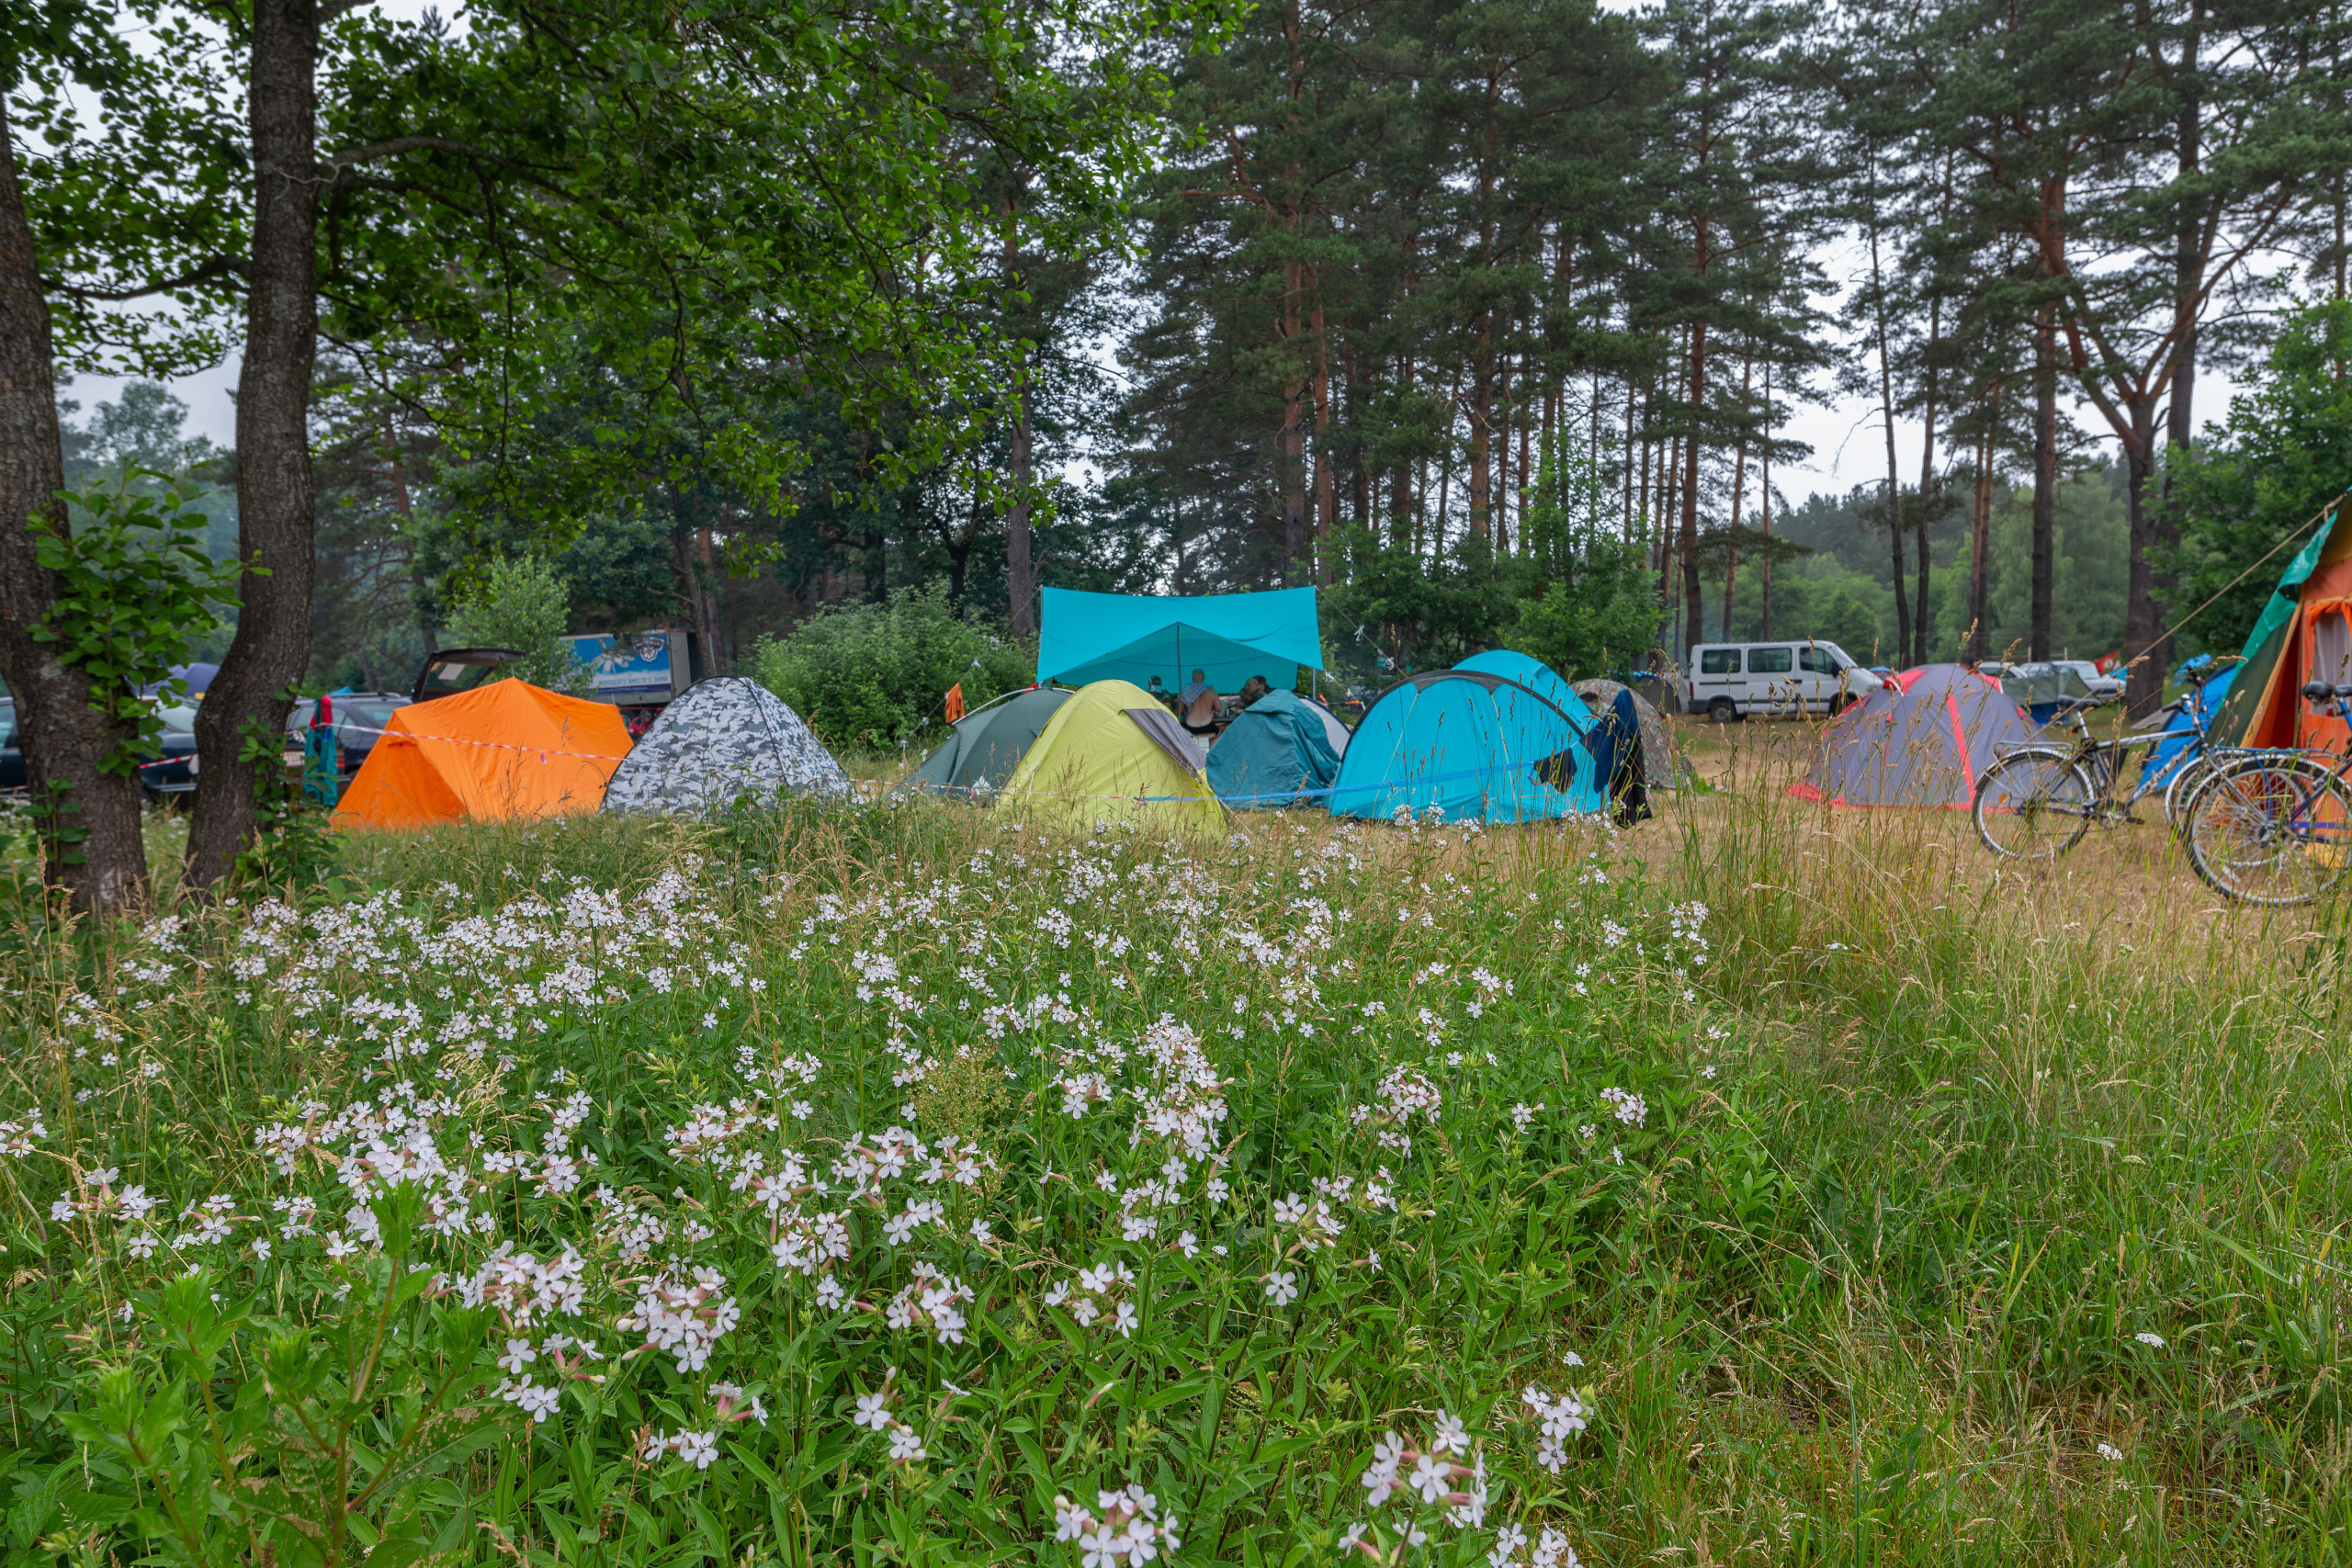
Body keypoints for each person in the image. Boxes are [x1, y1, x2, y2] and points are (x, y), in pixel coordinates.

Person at [1178, 669, 1219, 734]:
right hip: (1208, 726)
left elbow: (1180, 711)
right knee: (1218, 733)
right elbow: (1219, 708)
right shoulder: (1211, 691)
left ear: (1192, 677)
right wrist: (1209, 706)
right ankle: (1212, 744)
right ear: (1203, 677)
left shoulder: (1185, 692)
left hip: (1190, 727)